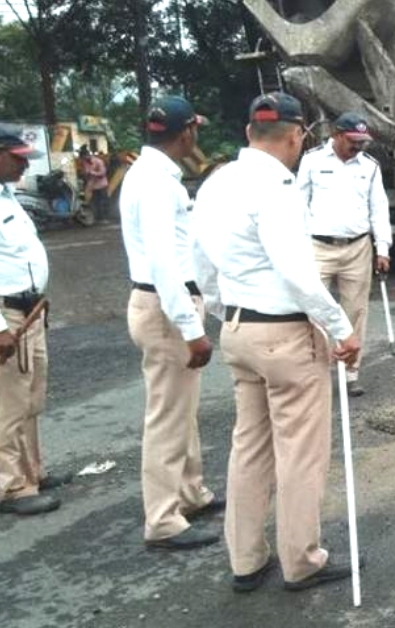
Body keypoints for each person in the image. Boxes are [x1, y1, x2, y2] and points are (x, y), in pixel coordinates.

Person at [192, 93, 362, 592]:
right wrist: (340, 326)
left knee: (249, 447)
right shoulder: (279, 186)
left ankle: (246, 560)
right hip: (285, 334)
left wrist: (226, 312)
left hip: (240, 330)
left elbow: (200, 263)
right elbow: (298, 273)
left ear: (249, 133)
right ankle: (302, 560)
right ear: (295, 136)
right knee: (300, 452)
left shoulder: (217, 182)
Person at [120, 96, 224, 550]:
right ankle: (162, 519)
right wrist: (191, 328)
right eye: (194, 129)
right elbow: (164, 262)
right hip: (165, 307)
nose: (195, 136)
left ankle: (189, 492)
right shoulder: (156, 182)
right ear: (185, 132)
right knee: (167, 415)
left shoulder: (150, 174)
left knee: (182, 409)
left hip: (164, 302)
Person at [0, 125, 71, 516]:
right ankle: (10, 486)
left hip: (30, 313)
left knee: (30, 398)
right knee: (8, 402)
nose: (24, 162)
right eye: (17, 156)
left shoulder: (9, 197)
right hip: (8, 314)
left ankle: (31, 473)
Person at [297, 112, 390, 397]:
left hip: (358, 248)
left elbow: (379, 208)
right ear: (336, 135)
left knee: (355, 312)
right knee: (312, 311)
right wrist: (297, 246)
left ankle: (351, 373)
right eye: (353, 141)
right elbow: (299, 205)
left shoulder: (370, 166)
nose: (358, 147)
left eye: (362, 142)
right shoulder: (311, 160)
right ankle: (315, 373)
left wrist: (382, 248)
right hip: (319, 247)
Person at [79, 146, 110, 221]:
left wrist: (92, 173)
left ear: (88, 155)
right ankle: (98, 218)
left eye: (85, 157)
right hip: (93, 186)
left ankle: (104, 218)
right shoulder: (84, 163)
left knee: (102, 202)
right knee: (95, 202)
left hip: (101, 185)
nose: (84, 159)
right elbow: (85, 173)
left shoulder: (98, 161)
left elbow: (102, 173)